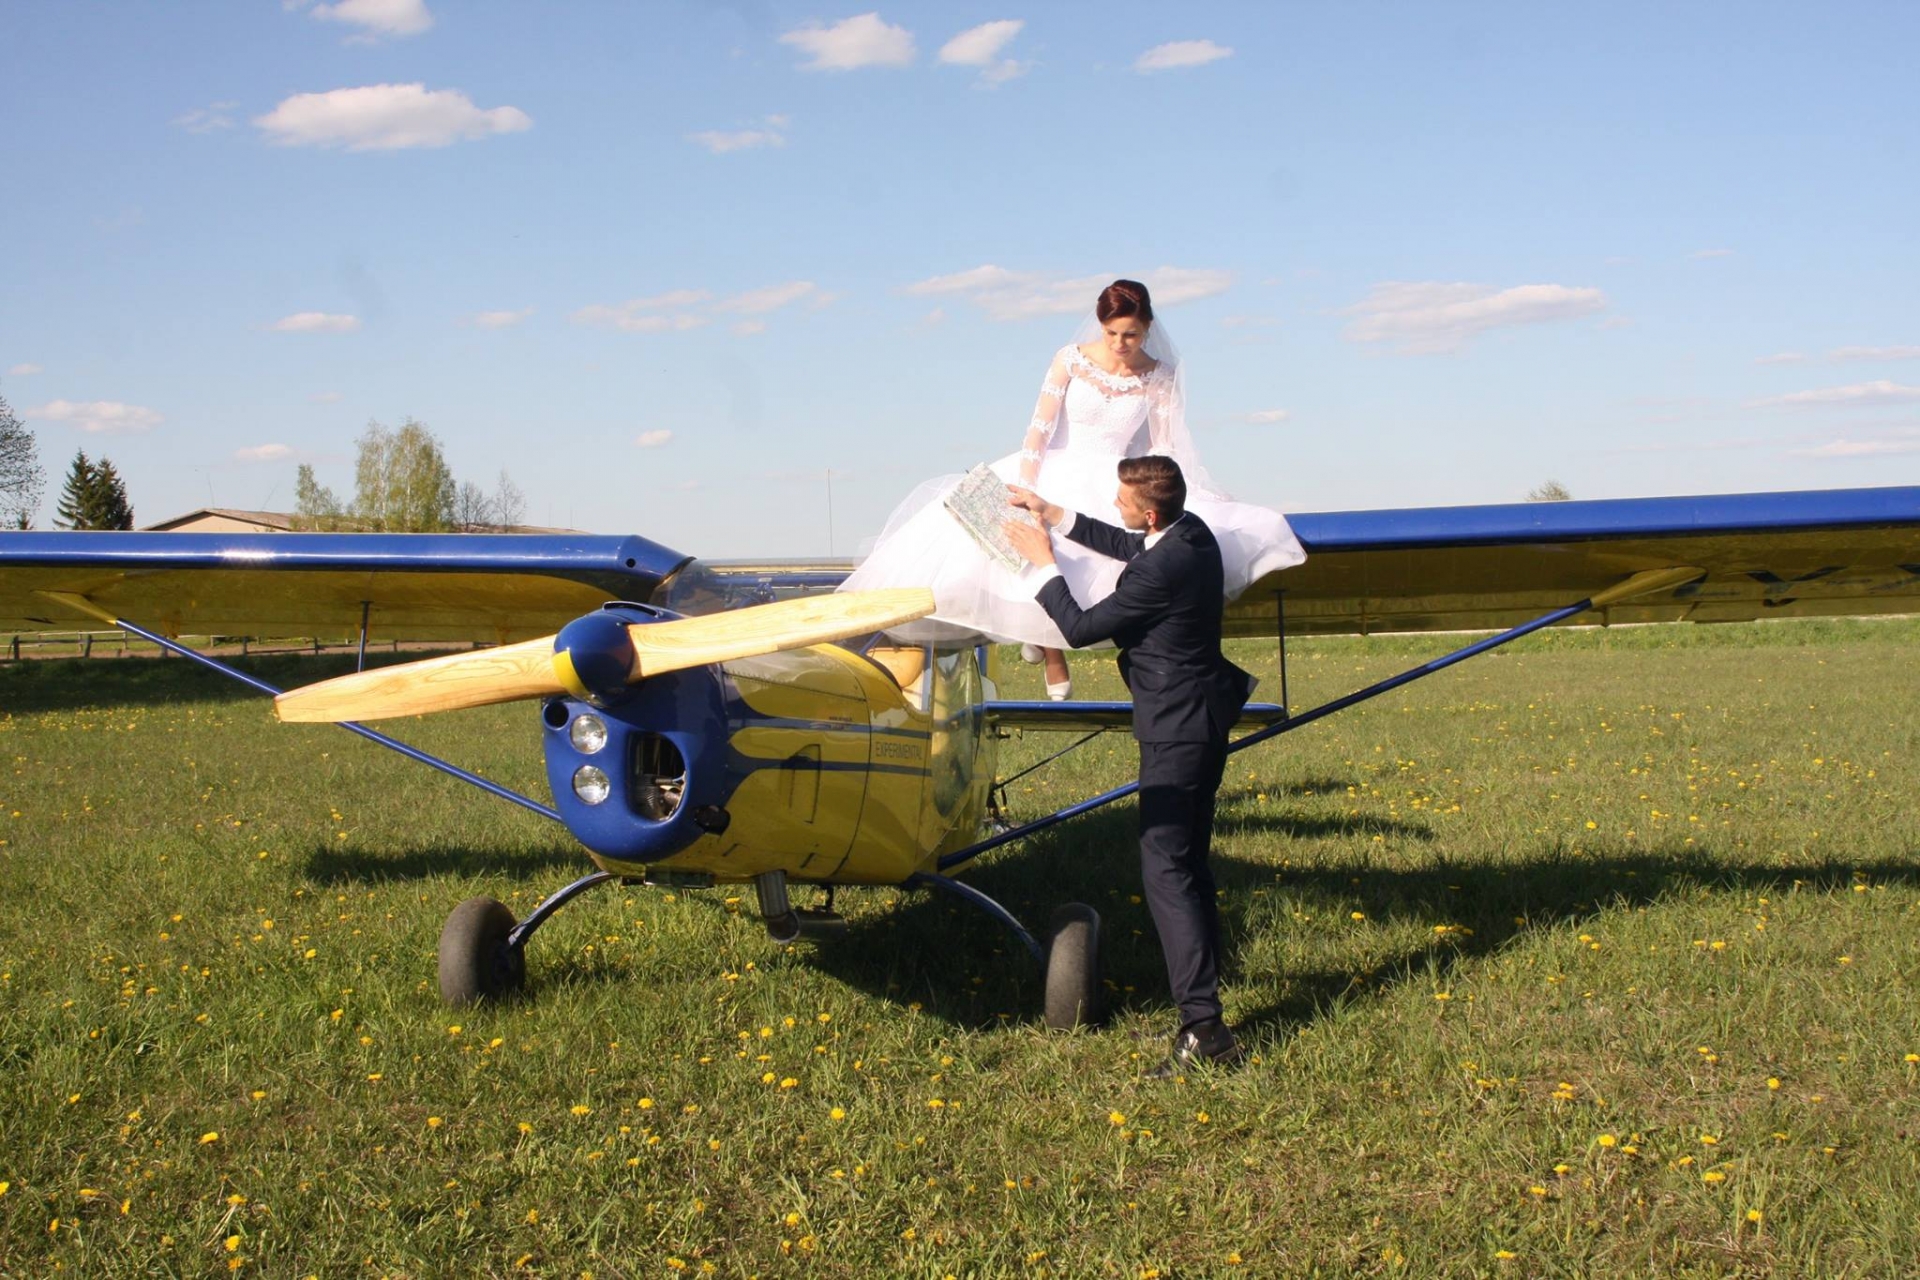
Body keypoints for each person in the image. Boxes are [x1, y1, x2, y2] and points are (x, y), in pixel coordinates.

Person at [838, 279, 1304, 699]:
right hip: (1057, 464)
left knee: (1098, 558)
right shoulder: (1070, 359)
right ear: (1101, 327)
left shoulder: (1158, 375)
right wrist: (1026, 481)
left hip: (1116, 473)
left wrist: (1186, 490)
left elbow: (1164, 445)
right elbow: (1040, 427)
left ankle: (1051, 642)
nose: (1121, 344)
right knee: (1016, 533)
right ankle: (1047, 649)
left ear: (1146, 331)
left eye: (1131, 335)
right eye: (1112, 333)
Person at [1004, 456, 1249, 1077]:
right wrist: (1052, 515)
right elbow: (1127, 543)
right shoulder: (1190, 533)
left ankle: (1204, 1027)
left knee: (1164, 867)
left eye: (1122, 500)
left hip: (1175, 730)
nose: (1116, 507)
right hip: (1202, 716)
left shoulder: (1161, 567)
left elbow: (1083, 628)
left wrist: (1042, 562)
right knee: (1188, 858)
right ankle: (1209, 982)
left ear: (1149, 509)